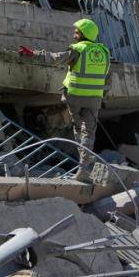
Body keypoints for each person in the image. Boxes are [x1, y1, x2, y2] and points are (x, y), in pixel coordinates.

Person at [21, 18, 109, 182]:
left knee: (77, 128)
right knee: (89, 132)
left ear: (84, 34)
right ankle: (84, 169)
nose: (74, 35)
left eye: (77, 32)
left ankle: (82, 167)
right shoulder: (104, 52)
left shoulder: (77, 50)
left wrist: (34, 54)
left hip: (74, 96)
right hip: (94, 99)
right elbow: (107, 79)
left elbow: (56, 58)